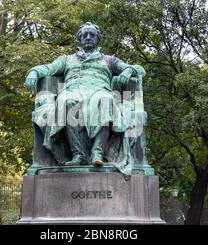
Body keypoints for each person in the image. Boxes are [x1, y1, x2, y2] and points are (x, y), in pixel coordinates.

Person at [25, 22, 145, 171]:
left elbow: (136, 69)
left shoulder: (109, 60)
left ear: (98, 39)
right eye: (84, 35)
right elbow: (48, 68)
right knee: (65, 101)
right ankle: (78, 154)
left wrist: (127, 71)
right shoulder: (67, 59)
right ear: (80, 39)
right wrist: (33, 72)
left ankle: (97, 151)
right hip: (73, 91)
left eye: (92, 35)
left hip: (99, 90)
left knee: (106, 100)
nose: (88, 37)